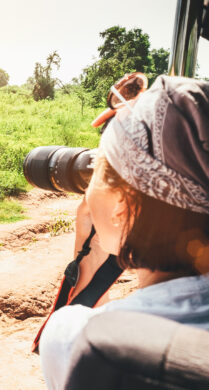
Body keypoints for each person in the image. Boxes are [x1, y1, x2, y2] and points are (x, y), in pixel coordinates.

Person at [39, 75, 209, 389]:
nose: (88, 189)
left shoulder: (79, 341)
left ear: (124, 203)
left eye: (99, 169)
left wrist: (86, 251)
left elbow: (86, 317)